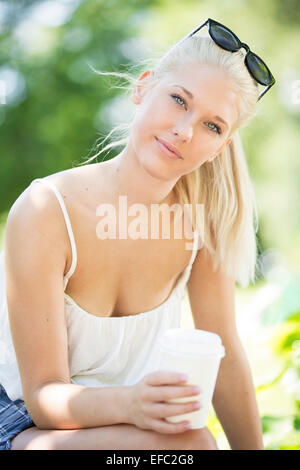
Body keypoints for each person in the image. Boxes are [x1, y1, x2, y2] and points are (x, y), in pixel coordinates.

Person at [0, 19, 275, 450]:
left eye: (212, 126)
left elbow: (225, 357)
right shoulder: (46, 211)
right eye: (179, 100)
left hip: (122, 432)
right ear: (143, 89)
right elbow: (42, 398)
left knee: (188, 444)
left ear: (219, 149)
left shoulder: (198, 227)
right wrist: (132, 404)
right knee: (191, 445)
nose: (184, 130)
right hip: (18, 423)